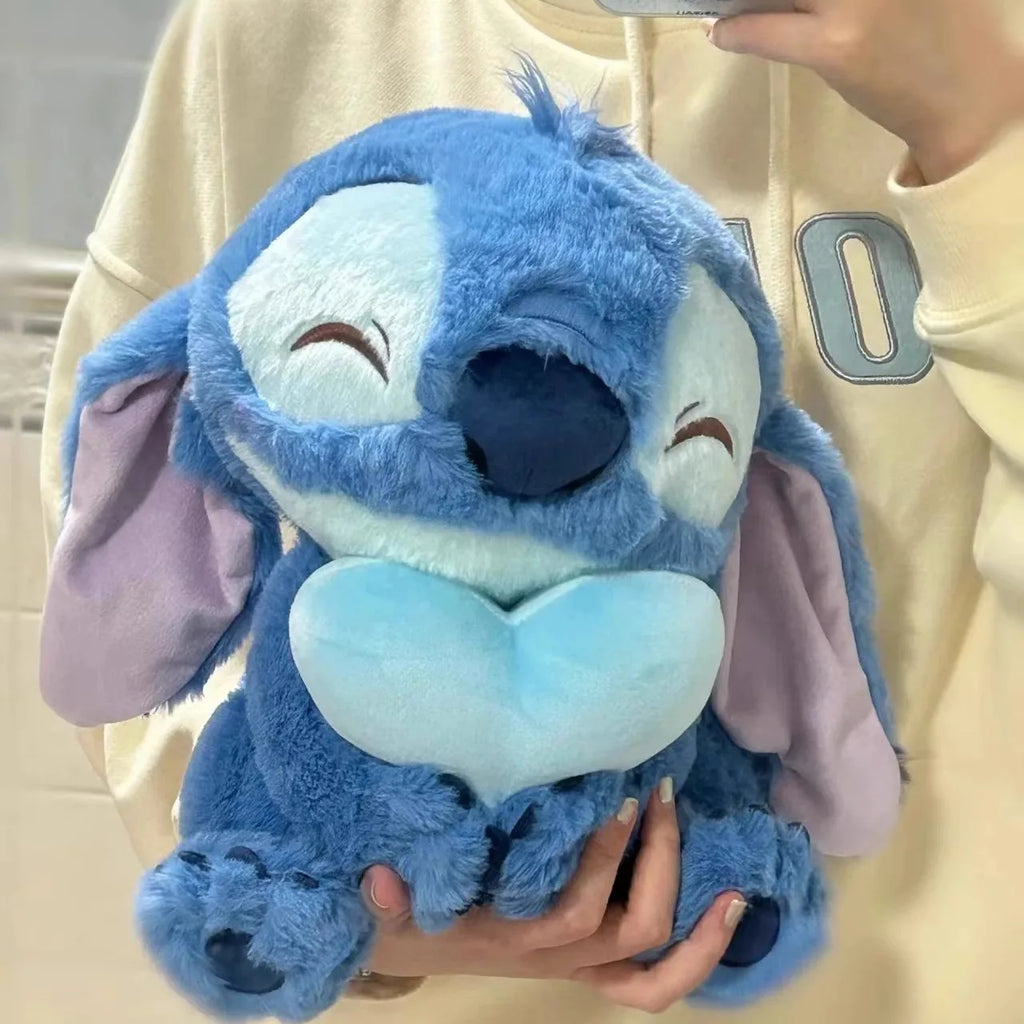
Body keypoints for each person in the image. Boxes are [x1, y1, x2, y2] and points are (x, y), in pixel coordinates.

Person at [39, 1, 1024, 1020]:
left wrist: (982, 133)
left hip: (924, 982)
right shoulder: (278, 28)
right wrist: (328, 878)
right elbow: (127, 513)